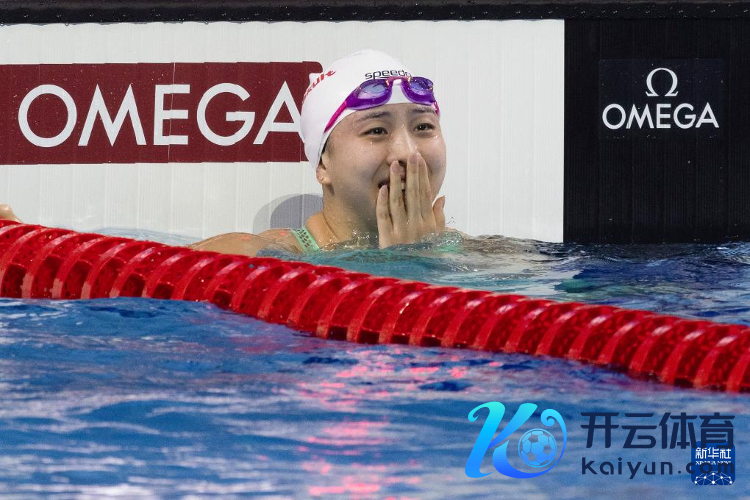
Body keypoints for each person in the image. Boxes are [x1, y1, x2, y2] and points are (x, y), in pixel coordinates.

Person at [0, 50, 455, 256]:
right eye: (376, 131)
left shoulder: (480, 258)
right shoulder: (253, 257)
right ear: (322, 165)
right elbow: (116, 275)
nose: (407, 154)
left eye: (423, 128)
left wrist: (422, 260)